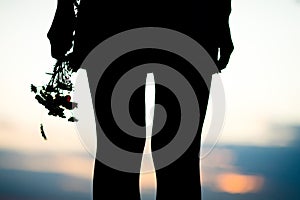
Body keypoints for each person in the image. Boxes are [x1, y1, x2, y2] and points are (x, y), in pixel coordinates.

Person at [47, 0, 234, 199]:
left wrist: (65, 9)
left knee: (125, 153)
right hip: (187, 19)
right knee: (152, 154)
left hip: (115, 18)